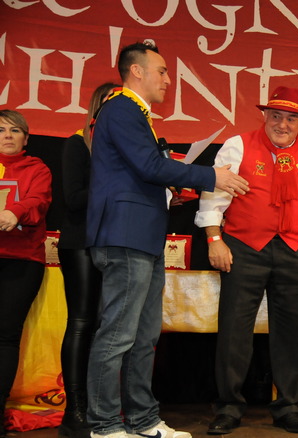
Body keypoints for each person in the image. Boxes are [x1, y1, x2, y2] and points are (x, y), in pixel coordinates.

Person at [85, 41, 249, 438]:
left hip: (143, 236)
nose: (167, 79)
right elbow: (147, 165)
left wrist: (169, 191)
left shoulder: (137, 114)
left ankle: (142, 420)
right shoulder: (121, 107)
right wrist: (211, 176)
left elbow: (140, 172)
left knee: (144, 337)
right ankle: (104, 425)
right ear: (136, 71)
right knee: (118, 335)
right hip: (124, 236)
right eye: (161, 71)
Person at [195, 86, 298, 435]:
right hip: (244, 247)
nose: (283, 125)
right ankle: (228, 407)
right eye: (276, 116)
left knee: (292, 334)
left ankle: (289, 407)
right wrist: (214, 239)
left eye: (291, 119)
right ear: (265, 116)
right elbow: (213, 194)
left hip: (293, 249)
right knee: (234, 331)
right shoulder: (238, 145)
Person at [57, 82, 120, 438]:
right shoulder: (77, 143)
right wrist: (115, 183)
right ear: (98, 107)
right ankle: (74, 409)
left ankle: (102, 406)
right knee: (82, 322)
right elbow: (73, 198)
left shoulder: (126, 148)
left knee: (104, 327)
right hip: (81, 242)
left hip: (115, 244)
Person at [0, 109, 52, 438]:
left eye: (14, 130)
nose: (7, 136)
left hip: (21, 260)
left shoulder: (37, 169)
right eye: (0, 130)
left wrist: (13, 211)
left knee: (5, 336)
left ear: (26, 138)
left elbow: (38, 201)